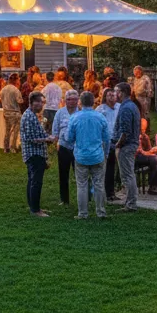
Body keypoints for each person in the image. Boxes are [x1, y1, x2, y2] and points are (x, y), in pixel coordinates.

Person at [63, 91, 110, 219]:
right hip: (97, 155)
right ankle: (101, 211)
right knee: (99, 184)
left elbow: (69, 138)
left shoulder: (74, 117)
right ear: (93, 102)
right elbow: (107, 138)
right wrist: (106, 153)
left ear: (80, 102)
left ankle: (83, 213)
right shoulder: (100, 117)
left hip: (81, 155)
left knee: (82, 185)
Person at [20, 92, 54, 217]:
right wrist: (47, 139)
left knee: (32, 180)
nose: (41, 105)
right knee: (36, 182)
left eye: (42, 102)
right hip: (33, 153)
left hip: (36, 153)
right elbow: (30, 138)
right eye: (39, 102)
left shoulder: (33, 115)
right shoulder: (29, 116)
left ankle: (33, 206)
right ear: (32, 102)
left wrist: (47, 136)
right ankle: (35, 210)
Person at [112, 82, 142, 212]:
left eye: (116, 91)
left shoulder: (125, 108)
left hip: (127, 146)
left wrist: (118, 145)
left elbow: (125, 131)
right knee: (129, 174)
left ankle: (131, 204)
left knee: (127, 175)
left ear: (122, 93)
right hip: (131, 144)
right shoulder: (132, 106)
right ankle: (130, 202)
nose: (114, 94)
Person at [53, 88, 80, 207]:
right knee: (63, 174)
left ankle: (84, 197)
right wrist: (56, 143)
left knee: (79, 173)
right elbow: (55, 129)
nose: (72, 102)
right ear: (65, 100)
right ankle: (64, 199)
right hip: (63, 146)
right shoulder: (60, 112)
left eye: (74, 99)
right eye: (69, 99)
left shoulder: (81, 112)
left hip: (77, 147)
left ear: (78, 100)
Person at [135, 117, 157, 194]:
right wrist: (151, 152)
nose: (143, 131)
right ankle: (153, 187)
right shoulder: (136, 136)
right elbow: (141, 152)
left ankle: (156, 183)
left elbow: (149, 150)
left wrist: (155, 150)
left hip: (143, 156)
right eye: (142, 129)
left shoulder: (145, 136)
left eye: (144, 129)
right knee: (155, 159)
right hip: (135, 157)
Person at [0, 73, 23, 153]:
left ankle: (6, 148)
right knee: (15, 131)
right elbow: (20, 101)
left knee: (7, 130)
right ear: (16, 80)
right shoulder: (16, 90)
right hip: (15, 113)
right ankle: (13, 147)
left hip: (6, 112)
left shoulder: (3, 89)